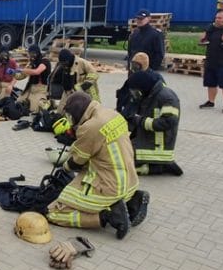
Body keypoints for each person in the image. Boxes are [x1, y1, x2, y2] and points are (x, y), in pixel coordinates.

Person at [45, 92, 149, 239]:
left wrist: (64, 168)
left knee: (55, 211)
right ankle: (131, 201)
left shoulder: (90, 127)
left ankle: (108, 216)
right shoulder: (113, 114)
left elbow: (76, 162)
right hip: (130, 181)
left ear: (76, 113)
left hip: (110, 186)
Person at [126, 71, 183, 176]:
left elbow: (167, 122)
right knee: (119, 159)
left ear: (144, 86)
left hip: (157, 148)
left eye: (136, 90)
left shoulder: (167, 97)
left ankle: (160, 167)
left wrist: (139, 120)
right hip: (147, 141)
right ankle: (161, 166)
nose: (135, 93)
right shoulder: (150, 95)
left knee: (124, 167)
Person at [115, 52, 163, 119]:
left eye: (134, 65)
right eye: (132, 65)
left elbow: (134, 99)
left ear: (141, 66)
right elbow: (124, 93)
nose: (132, 68)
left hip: (146, 113)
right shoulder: (157, 77)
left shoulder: (148, 79)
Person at [13, 44, 51, 113]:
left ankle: (49, 102)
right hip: (30, 88)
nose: (31, 55)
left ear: (37, 53)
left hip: (40, 89)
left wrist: (22, 70)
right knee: (18, 103)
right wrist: (13, 73)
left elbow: (37, 72)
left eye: (33, 53)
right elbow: (22, 76)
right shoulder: (31, 62)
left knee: (35, 109)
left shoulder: (45, 61)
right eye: (30, 53)